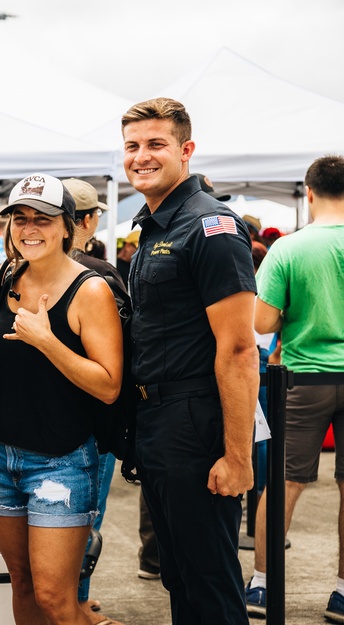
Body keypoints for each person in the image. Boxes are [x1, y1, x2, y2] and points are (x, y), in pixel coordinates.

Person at [0, 173, 123, 625]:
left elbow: (109, 384)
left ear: (68, 227)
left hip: (61, 461)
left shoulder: (90, 290)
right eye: (20, 218)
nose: (29, 228)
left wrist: (48, 342)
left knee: (55, 597)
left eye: (43, 219)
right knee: (22, 583)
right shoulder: (8, 275)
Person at [121, 97, 257, 625]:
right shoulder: (154, 225)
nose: (141, 157)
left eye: (156, 144)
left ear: (186, 150)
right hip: (156, 421)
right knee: (178, 575)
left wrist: (238, 456)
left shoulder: (209, 226)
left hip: (195, 419)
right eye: (132, 146)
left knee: (210, 582)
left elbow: (240, 350)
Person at [246, 154, 344, 621]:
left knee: (282, 484)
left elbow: (262, 322)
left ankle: (263, 585)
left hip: (306, 377)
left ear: (308, 193)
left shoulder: (289, 248)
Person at [62, 178, 128, 625]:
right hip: (90, 423)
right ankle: (76, 601)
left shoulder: (14, 272)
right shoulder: (99, 276)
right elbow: (119, 363)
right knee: (86, 520)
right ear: (85, 221)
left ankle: (69, 600)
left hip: (35, 425)